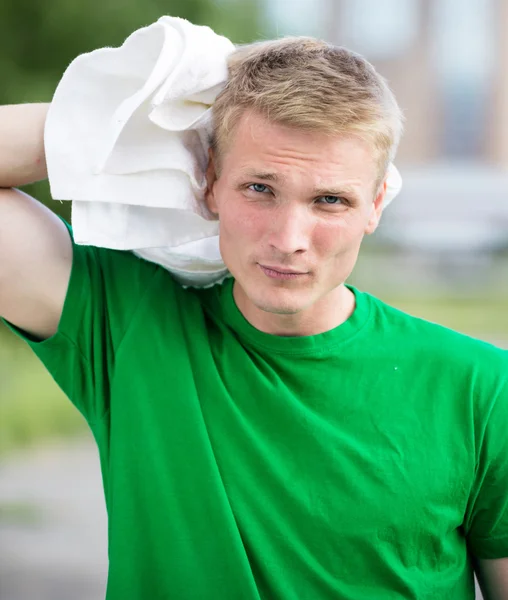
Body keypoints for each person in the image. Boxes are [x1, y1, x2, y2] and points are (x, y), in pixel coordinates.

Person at [1, 37, 507, 600]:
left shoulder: (484, 390)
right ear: (209, 181)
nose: (288, 241)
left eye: (330, 201)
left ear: (377, 203)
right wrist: (154, 105)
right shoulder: (125, 321)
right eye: (259, 188)